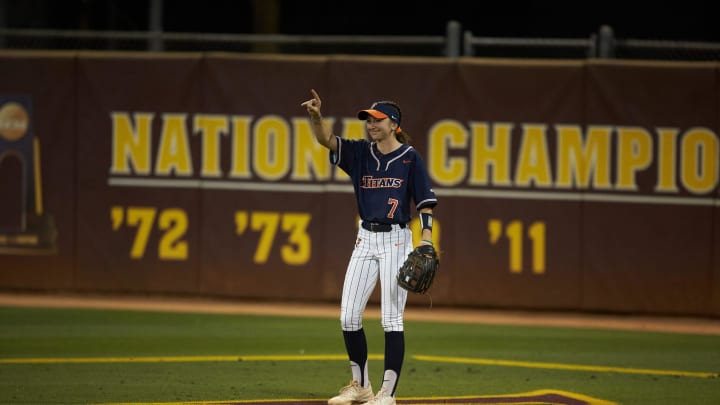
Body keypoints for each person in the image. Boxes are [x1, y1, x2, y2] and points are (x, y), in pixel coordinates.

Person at [301, 89, 437, 405]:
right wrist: (317, 117)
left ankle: (387, 394)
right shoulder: (361, 153)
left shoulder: (409, 158)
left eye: (377, 120)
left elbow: (425, 204)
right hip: (365, 238)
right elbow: (328, 140)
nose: (370, 125)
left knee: (391, 319)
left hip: (396, 240)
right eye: (368, 120)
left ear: (394, 125)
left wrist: (426, 238)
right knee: (348, 316)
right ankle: (361, 386)